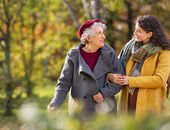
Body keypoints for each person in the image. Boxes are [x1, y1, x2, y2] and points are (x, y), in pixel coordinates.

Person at [47, 19, 124, 118]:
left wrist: (104, 93)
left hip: (104, 111)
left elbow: (121, 79)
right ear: (88, 37)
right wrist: (55, 103)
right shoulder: (73, 55)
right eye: (99, 33)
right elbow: (64, 83)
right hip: (80, 111)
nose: (103, 36)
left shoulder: (109, 53)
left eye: (103, 33)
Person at [108, 15, 170, 117]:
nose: (134, 33)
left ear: (150, 34)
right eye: (135, 30)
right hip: (128, 99)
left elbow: (160, 80)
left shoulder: (164, 52)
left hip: (149, 104)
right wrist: (110, 76)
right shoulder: (130, 48)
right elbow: (115, 68)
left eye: (139, 31)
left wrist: (130, 81)